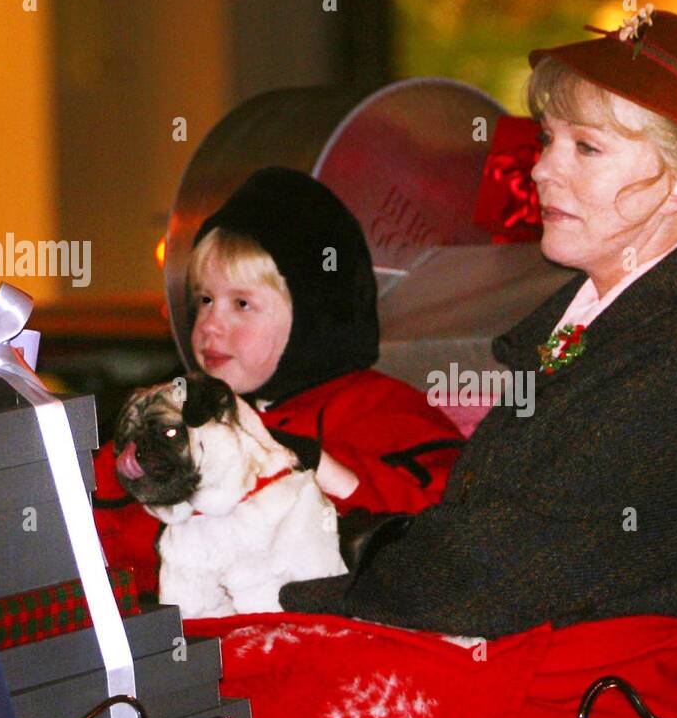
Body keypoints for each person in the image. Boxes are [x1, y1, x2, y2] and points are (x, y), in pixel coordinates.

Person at [280, 11, 677, 638]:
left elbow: (490, 581)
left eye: (586, 147)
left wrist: (285, 585)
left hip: (596, 707)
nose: (541, 170)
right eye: (548, 139)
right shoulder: (609, 328)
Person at [92, 168, 464, 595]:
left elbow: (440, 531)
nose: (210, 325)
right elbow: (98, 525)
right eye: (205, 299)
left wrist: (306, 459)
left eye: (242, 304)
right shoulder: (181, 410)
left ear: (313, 314)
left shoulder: (382, 409)